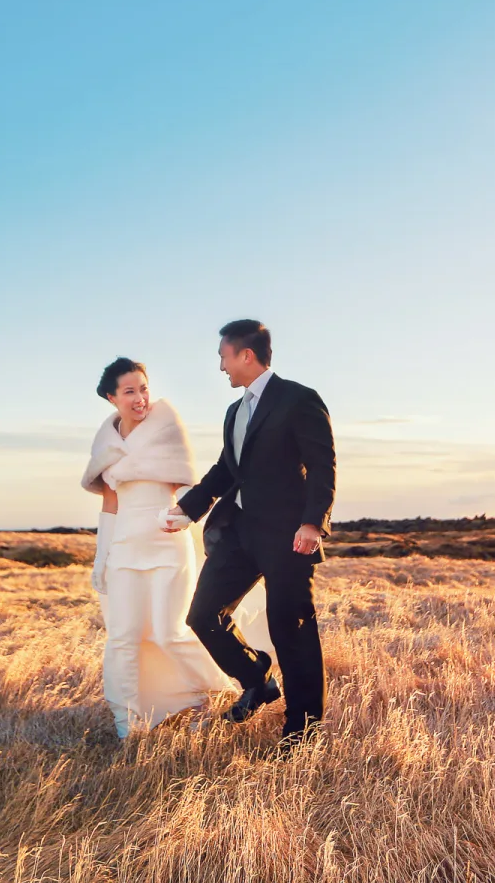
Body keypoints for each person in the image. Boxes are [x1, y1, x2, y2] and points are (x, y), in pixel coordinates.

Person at [161, 320, 336, 752]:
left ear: (246, 355)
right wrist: (188, 508)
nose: (220, 366)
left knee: (290, 629)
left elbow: (322, 465)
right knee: (203, 614)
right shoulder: (234, 412)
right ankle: (257, 679)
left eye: (223, 356)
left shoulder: (298, 399)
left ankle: (303, 732)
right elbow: (227, 469)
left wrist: (313, 523)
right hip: (239, 533)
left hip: (288, 536)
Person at [81, 357, 269, 739]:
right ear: (111, 397)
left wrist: (186, 517)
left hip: (167, 545)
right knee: (123, 636)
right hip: (124, 549)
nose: (140, 398)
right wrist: (102, 557)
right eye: (130, 391)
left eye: (144, 388)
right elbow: (110, 504)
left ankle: (232, 687)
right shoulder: (106, 441)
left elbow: (188, 488)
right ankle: (126, 724)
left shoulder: (167, 427)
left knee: (171, 632)